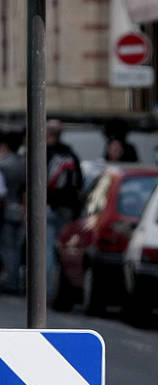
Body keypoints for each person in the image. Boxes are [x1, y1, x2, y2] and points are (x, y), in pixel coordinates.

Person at [46, 118, 82, 287]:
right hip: (67, 209)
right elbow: (79, 186)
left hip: (47, 207)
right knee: (64, 251)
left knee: (46, 250)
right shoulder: (71, 154)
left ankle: (47, 290)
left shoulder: (43, 152)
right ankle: (63, 287)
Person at [0, 129, 25, 294]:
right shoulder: (22, 164)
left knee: (8, 248)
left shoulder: (3, 165)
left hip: (7, 209)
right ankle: (15, 279)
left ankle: (11, 281)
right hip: (20, 209)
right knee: (16, 247)